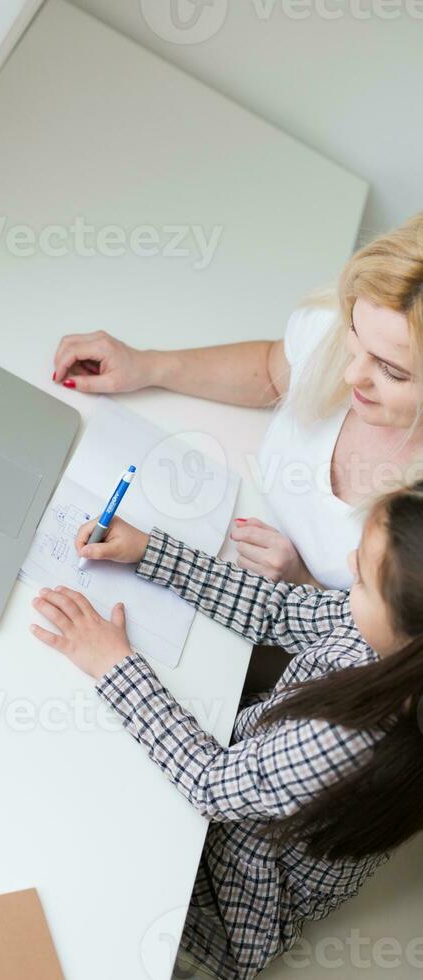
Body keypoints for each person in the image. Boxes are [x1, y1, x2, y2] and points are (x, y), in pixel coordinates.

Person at [29, 483, 423, 979]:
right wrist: (152, 552)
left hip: (217, 908)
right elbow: (275, 610)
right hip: (233, 781)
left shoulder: (350, 738)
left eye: (363, 576)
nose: (347, 566)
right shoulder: (378, 635)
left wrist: (114, 663)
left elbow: (210, 784)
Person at [51, 213, 423, 590]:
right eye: (355, 333)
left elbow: (376, 641)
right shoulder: (336, 329)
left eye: (391, 371)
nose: (350, 375)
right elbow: (270, 370)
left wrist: (303, 584)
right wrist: (149, 366)